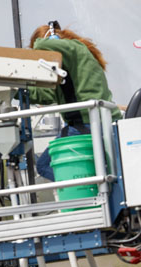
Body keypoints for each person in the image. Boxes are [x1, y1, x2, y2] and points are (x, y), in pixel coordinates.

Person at [28, 21, 121, 181]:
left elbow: (40, 44)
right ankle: (94, 186)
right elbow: (47, 96)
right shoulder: (76, 57)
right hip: (100, 123)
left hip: (85, 125)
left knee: (44, 166)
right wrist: (17, 91)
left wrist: (45, 42)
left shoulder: (74, 49)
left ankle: (87, 189)